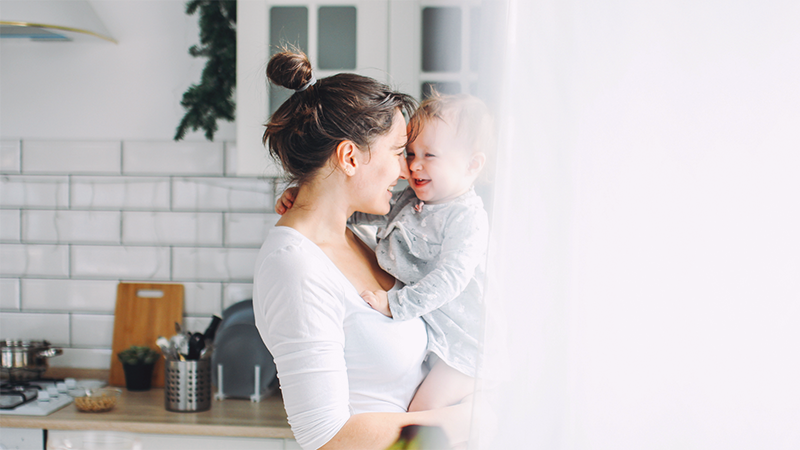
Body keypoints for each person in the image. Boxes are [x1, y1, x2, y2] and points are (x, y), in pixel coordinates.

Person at [252, 49, 472, 450]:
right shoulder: (294, 269)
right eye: (397, 152)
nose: (406, 170)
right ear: (350, 157)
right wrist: (466, 421)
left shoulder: (368, 240)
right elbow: (327, 437)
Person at [278, 92, 494, 413]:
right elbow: (360, 207)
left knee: (423, 411)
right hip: (442, 341)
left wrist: (395, 304)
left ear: (472, 164)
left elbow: (451, 279)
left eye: (430, 155)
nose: (413, 167)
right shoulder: (414, 198)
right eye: (409, 153)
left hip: (469, 347)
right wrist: (307, 197)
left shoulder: (467, 217)